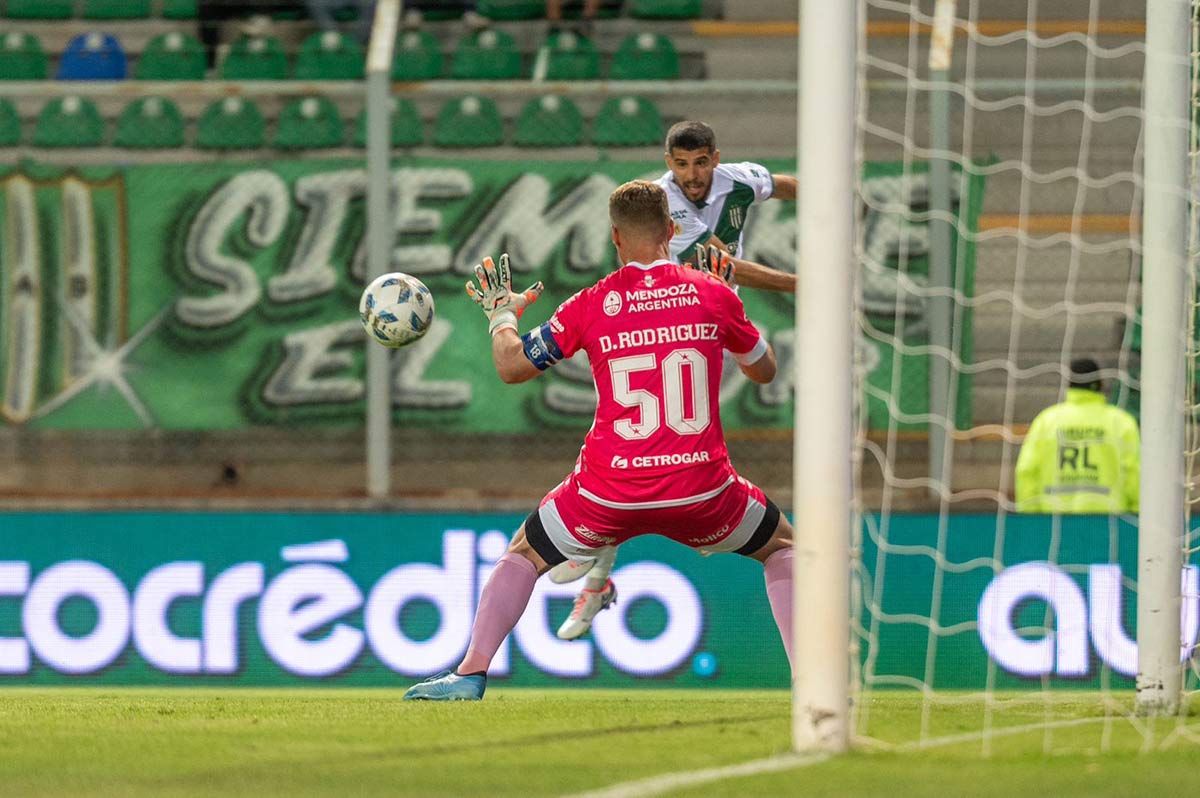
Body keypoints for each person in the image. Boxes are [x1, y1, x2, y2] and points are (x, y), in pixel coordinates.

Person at [404, 180, 795, 700]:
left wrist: (501, 312)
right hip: (702, 488)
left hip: (610, 490)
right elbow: (765, 372)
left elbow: (511, 366)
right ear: (672, 230)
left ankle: (471, 674)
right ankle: (810, 679)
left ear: (615, 237)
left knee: (523, 553)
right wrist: (733, 310)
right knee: (783, 547)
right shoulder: (712, 292)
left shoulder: (592, 303)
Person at [550, 120, 799, 640]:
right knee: (640, 445)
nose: (692, 174)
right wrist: (805, 282)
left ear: (715, 157)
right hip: (657, 317)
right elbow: (725, 266)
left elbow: (783, 184)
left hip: (702, 323)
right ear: (668, 163)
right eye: (681, 164)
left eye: (701, 162)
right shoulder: (664, 210)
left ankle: (595, 573)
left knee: (649, 450)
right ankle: (595, 570)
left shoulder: (739, 180)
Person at [1015, 357, 1140, 514]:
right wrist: (1136, 515)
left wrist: (1031, 519)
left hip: (1053, 521)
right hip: (1109, 523)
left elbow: (1026, 472)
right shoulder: (1121, 422)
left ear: (1068, 385)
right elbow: (1134, 473)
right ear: (1101, 385)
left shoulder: (1046, 421)